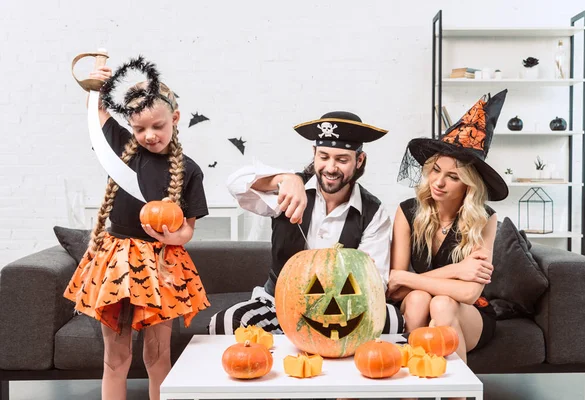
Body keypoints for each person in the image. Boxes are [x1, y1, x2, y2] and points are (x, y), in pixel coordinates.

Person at [63, 57, 210, 400]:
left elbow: (188, 230)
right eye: (140, 128)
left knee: (157, 356)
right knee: (116, 358)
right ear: (129, 124)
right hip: (115, 261)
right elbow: (94, 110)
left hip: (162, 264)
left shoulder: (190, 171)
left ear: (174, 118)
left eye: (158, 126)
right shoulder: (117, 148)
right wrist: (97, 83)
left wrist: (173, 237)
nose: (149, 135)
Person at [209, 111, 404, 335]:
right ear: (314, 154)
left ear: (359, 161)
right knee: (226, 322)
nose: (331, 168)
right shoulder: (289, 189)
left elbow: (376, 281)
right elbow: (235, 184)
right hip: (278, 304)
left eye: (342, 160)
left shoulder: (373, 212)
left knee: (392, 320)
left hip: (340, 311)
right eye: (323, 157)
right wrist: (283, 179)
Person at [388, 89, 508, 369]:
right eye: (435, 170)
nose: (438, 182)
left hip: (469, 314)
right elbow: (394, 289)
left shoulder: (485, 218)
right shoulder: (407, 212)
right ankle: (412, 392)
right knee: (418, 300)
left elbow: (469, 294)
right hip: (417, 303)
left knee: (441, 303)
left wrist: (406, 278)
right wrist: (457, 270)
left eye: (452, 176)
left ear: (469, 184)